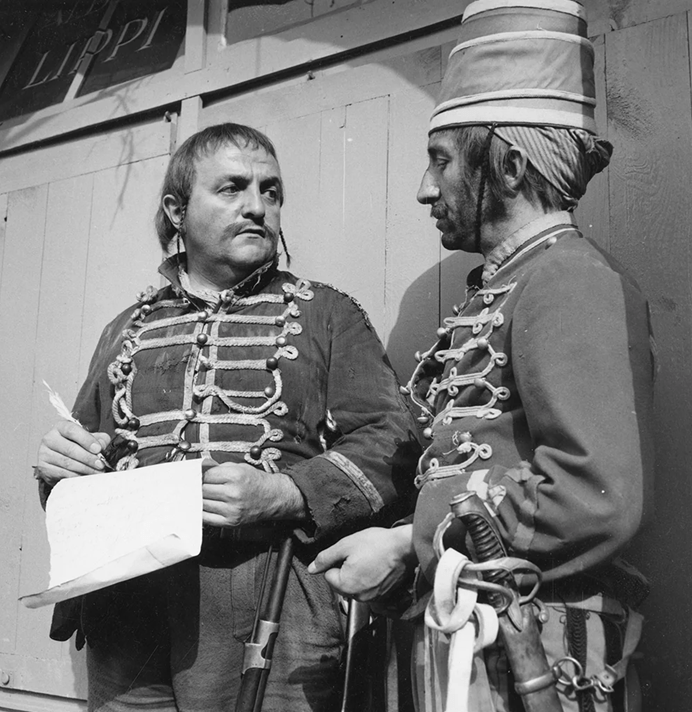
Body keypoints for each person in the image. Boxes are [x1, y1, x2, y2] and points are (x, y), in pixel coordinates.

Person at [309, 2, 655, 710]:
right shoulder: (510, 284)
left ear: (511, 166)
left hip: (531, 651)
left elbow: (595, 496)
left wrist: (408, 543)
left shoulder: (570, 279)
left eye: (440, 159)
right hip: (469, 637)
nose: (424, 188)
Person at [35, 122, 420, 712]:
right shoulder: (126, 328)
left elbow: (393, 441)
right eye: (232, 188)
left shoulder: (328, 314)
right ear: (177, 211)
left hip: (266, 585)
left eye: (271, 191)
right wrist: (60, 468)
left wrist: (287, 492)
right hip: (124, 600)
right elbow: (82, 460)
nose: (257, 207)